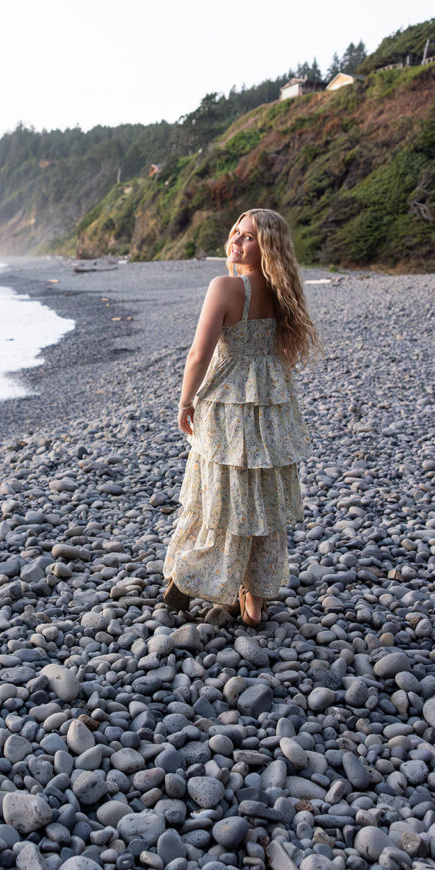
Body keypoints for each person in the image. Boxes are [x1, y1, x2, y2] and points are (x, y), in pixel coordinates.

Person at [162, 209, 318, 626]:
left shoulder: (227, 286)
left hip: (228, 400)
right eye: (235, 233)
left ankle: (191, 576)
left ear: (266, 244)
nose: (236, 241)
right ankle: (252, 594)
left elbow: (199, 353)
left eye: (248, 237)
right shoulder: (283, 290)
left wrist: (184, 401)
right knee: (259, 498)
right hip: (270, 401)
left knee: (222, 495)